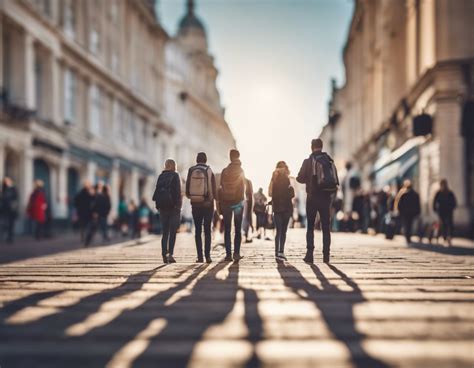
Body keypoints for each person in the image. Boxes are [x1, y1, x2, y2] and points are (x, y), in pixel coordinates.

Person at [297, 138, 338, 263]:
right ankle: (326, 255)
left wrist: (308, 179)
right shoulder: (329, 160)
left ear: (311, 147)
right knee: (326, 227)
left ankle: (310, 254)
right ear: (321, 146)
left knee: (310, 226)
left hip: (312, 198)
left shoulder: (308, 161)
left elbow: (299, 178)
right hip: (326, 198)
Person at [218, 149, 251, 262]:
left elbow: (221, 187)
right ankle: (236, 253)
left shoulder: (224, 171)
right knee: (237, 229)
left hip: (226, 203)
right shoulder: (241, 170)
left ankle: (228, 255)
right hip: (238, 203)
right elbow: (243, 187)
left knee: (227, 229)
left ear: (230, 157)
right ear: (238, 156)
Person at [186, 152, 217, 263]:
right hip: (207, 204)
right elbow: (213, 188)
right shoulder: (209, 170)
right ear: (206, 160)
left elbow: (187, 190)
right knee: (207, 230)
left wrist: (193, 197)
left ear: (196, 160)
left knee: (198, 230)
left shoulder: (191, 170)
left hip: (195, 203)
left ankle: (200, 257)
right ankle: (207, 256)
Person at [153, 159, 182, 264]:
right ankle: (170, 254)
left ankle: (164, 254)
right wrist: (178, 208)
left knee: (165, 232)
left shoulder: (161, 176)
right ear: (174, 166)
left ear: (165, 166)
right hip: (173, 208)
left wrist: (158, 207)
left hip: (162, 208)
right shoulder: (175, 175)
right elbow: (178, 193)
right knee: (172, 232)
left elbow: (156, 192)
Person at [268, 161, 294, 260]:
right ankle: (281, 252)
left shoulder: (274, 177)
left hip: (277, 207)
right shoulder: (288, 178)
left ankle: (276, 252)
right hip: (287, 207)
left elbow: (270, 193)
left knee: (278, 231)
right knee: (283, 231)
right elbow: (291, 194)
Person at [395, 180, 421, 244]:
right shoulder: (415, 194)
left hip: (405, 213)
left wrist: (399, 210)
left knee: (406, 225)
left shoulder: (403, 194)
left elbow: (399, 204)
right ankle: (408, 237)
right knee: (409, 225)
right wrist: (417, 211)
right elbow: (417, 204)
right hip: (411, 213)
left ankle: (407, 237)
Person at [433, 179, 457, 246]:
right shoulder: (438, 193)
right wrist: (435, 209)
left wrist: (452, 207)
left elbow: (454, 202)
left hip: (449, 211)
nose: (443, 186)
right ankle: (444, 238)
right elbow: (434, 202)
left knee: (450, 224)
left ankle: (450, 237)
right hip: (441, 211)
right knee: (443, 225)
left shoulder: (450, 193)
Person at [1, 177, 19, 243]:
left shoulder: (13, 189)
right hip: (4, 209)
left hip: (11, 209)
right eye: (5, 181)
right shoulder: (3, 189)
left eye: (7, 181)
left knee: (11, 224)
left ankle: (10, 238)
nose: (6, 182)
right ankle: (4, 237)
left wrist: (14, 206)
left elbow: (16, 198)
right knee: (4, 224)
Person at [242, 178, 254, 243]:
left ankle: (244, 236)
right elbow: (251, 193)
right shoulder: (248, 182)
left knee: (243, 220)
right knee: (246, 219)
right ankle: (245, 236)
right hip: (246, 202)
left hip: (238, 202)